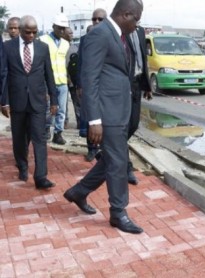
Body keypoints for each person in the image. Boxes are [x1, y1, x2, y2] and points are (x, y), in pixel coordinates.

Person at [63, 0, 144, 234]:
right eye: (136, 19)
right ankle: (118, 213)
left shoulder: (120, 34)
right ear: (126, 14)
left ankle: (78, 192)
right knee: (118, 162)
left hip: (119, 109)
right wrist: (94, 120)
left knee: (111, 159)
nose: (137, 24)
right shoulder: (100, 34)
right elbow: (89, 80)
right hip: (107, 113)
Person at [0, 16, 58, 190]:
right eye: (28, 32)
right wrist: (4, 101)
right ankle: (22, 166)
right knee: (19, 138)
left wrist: (54, 100)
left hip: (38, 101)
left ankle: (41, 176)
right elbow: (4, 75)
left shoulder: (43, 48)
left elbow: (49, 75)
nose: (31, 35)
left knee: (39, 138)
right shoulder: (8, 47)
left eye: (34, 32)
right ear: (21, 29)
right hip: (17, 101)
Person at [77, 8, 107, 162]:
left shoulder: (111, 37)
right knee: (91, 118)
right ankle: (91, 149)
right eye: (94, 19)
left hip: (106, 87)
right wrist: (80, 85)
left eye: (100, 19)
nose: (96, 22)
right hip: (90, 86)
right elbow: (81, 63)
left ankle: (103, 149)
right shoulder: (85, 39)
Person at [126, 25, 152, 185]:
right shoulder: (121, 31)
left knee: (133, 125)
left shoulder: (141, 31)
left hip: (137, 83)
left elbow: (144, 58)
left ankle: (109, 151)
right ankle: (127, 167)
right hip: (123, 85)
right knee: (123, 127)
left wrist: (147, 86)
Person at [40, 13, 70, 145]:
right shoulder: (43, 40)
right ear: (53, 26)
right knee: (47, 108)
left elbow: (66, 62)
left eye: (64, 28)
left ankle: (58, 133)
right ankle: (46, 129)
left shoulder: (65, 43)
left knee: (61, 109)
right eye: (60, 28)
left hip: (62, 81)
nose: (62, 31)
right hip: (47, 82)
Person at [63, 27, 80, 129]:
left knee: (77, 103)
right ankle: (64, 123)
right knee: (63, 105)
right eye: (69, 33)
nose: (71, 35)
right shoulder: (59, 47)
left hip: (74, 81)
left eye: (72, 33)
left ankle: (80, 123)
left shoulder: (75, 48)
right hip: (62, 80)